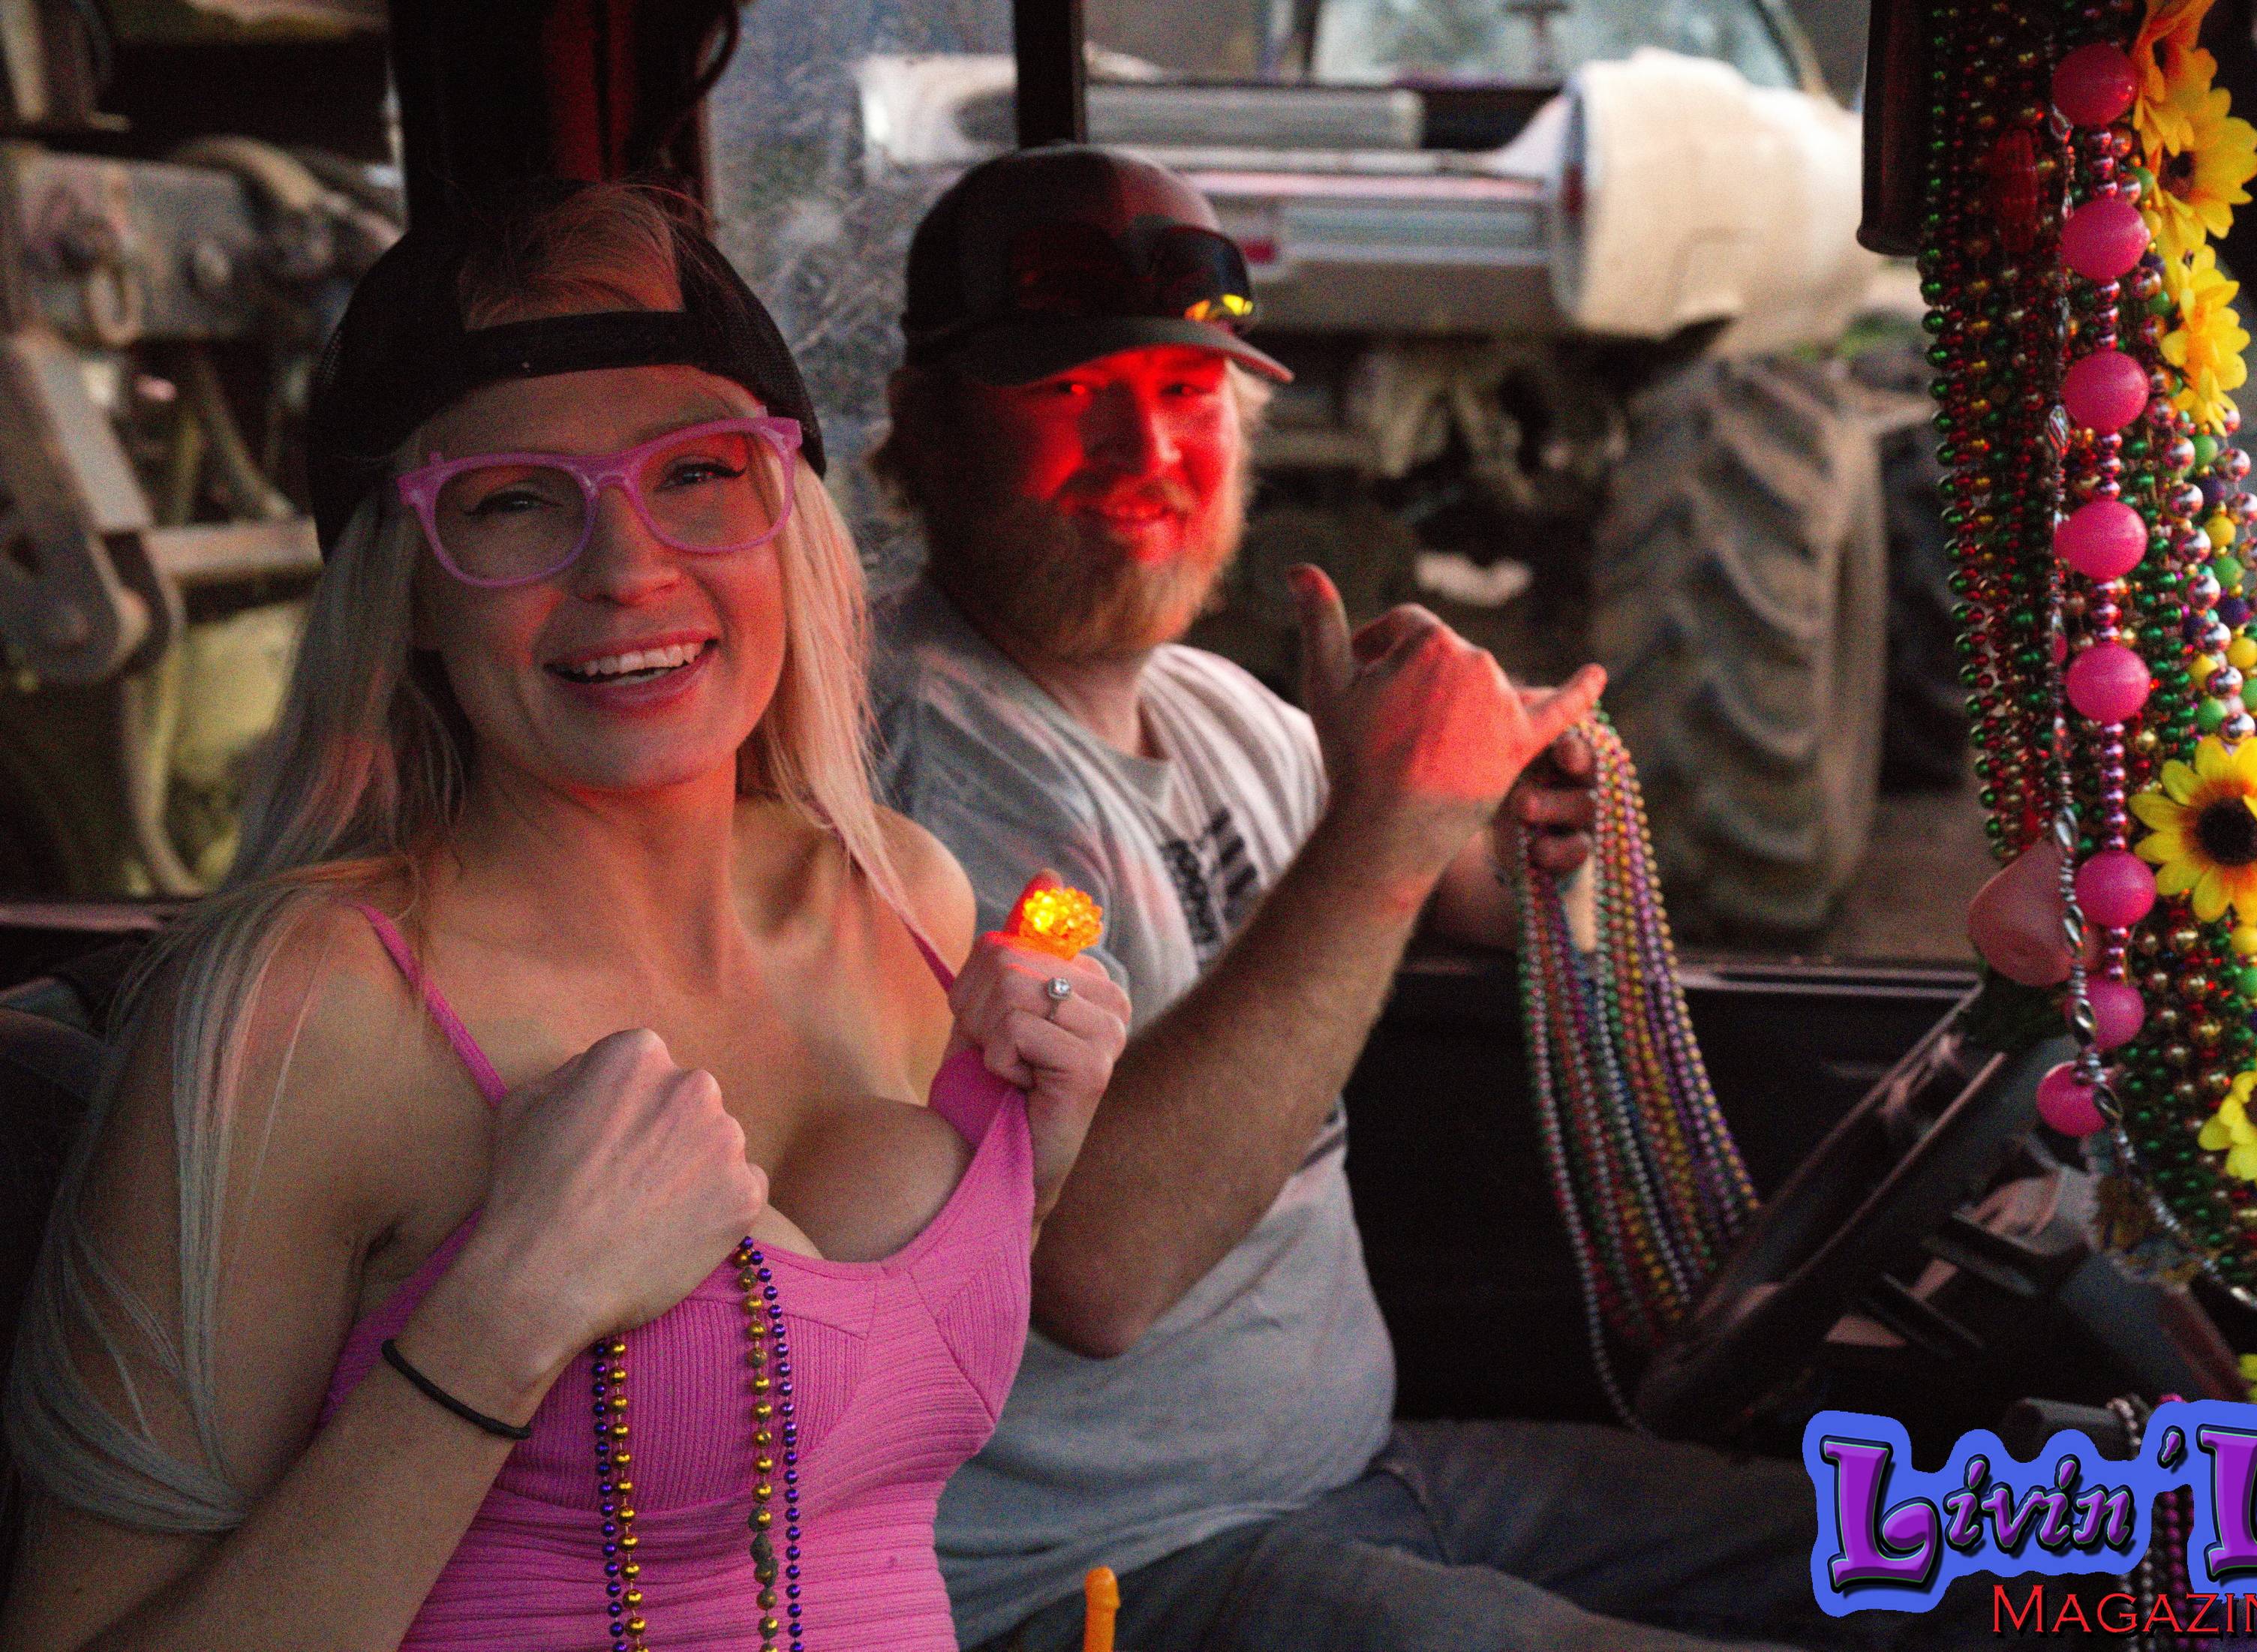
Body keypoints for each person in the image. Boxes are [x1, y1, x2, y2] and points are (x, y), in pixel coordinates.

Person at [0, 181, 1131, 1652]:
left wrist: (1037, 1151)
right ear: (409, 591)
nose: (629, 568)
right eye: (515, 501)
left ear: (789, 517)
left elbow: (843, 1415)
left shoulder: (898, 896)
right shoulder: (306, 1013)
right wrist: (502, 1320)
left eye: (698, 473)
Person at [869, 147, 1911, 1652]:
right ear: (925, 432)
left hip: (1361, 1479)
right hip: (1110, 1576)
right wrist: (1383, 832)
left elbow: (1447, 896)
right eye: (1069, 394)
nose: (1144, 448)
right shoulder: (914, 770)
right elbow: (1098, 1270)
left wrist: (1524, 819)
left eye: (1187, 394)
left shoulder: (1220, 711)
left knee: (1937, 1551)